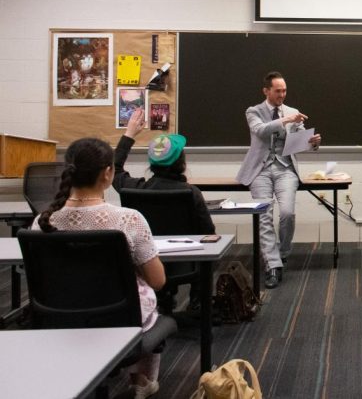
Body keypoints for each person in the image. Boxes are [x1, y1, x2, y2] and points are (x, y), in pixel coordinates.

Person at [35, 137, 166, 399]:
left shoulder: (43, 221)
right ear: (108, 173)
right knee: (150, 299)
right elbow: (158, 280)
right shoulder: (129, 219)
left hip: (60, 317)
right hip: (120, 318)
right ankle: (142, 381)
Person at [113, 107, 216, 312]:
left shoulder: (132, 188)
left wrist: (129, 134)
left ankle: (162, 298)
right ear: (182, 164)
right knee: (210, 253)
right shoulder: (191, 193)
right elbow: (208, 231)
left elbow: (115, 168)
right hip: (186, 263)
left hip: (145, 263)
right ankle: (197, 303)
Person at [236, 71, 321, 289]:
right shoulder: (253, 111)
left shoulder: (293, 112)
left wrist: (313, 143)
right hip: (260, 170)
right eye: (277, 91)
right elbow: (260, 131)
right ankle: (272, 265)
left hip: (285, 169)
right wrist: (285, 120)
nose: (282, 94)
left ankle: (282, 253)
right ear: (266, 91)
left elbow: (300, 142)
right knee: (264, 215)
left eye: (284, 90)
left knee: (287, 213)